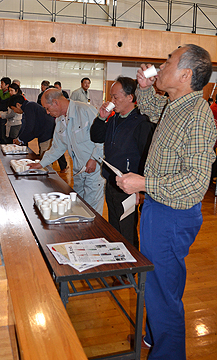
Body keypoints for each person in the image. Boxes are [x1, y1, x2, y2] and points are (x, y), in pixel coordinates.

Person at [116, 44, 217, 360]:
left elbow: (196, 182)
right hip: (160, 210)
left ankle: (168, 351)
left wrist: (144, 183)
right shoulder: (175, 105)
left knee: (161, 294)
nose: (160, 66)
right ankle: (153, 335)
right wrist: (146, 89)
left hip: (172, 214)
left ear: (186, 74)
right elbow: (152, 108)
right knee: (166, 283)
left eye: (168, 62)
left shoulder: (198, 116)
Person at [90, 76, 155, 249]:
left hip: (129, 186)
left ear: (130, 97)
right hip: (112, 183)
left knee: (127, 232)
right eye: (111, 97)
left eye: (115, 97)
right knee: (114, 228)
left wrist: (141, 190)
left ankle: (130, 272)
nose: (112, 101)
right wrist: (102, 118)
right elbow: (96, 136)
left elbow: (147, 158)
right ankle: (119, 262)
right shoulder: (113, 118)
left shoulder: (142, 122)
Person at [29, 88, 105, 214]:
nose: (47, 113)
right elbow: (57, 147)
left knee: (92, 209)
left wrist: (94, 159)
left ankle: (94, 234)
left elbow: (103, 138)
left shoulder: (86, 111)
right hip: (79, 170)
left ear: (55, 102)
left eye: (47, 108)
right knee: (78, 205)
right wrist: (41, 163)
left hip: (95, 169)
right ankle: (80, 233)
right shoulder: (60, 120)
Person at [0, 76, 11, 144]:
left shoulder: (8, 93)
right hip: (0, 114)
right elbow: (1, 103)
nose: (1, 85)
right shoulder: (4, 92)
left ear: (7, 85)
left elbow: (3, 99)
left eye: (2, 83)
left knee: (3, 134)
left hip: (5, 115)